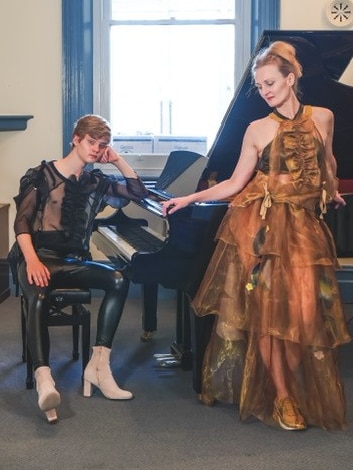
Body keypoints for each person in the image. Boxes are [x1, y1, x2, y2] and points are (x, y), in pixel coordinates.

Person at [162, 41, 351, 431]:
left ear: (291, 78)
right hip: (261, 228)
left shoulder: (325, 117)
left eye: (271, 82)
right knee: (266, 316)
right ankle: (283, 397)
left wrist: (330, 189)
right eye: (260, 85)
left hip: (306, 228)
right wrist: (189, 197)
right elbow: (234, 182)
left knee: (305, 313)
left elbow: (328, 160)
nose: (265, 91)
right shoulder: (257, 128)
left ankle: (283, 385)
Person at [11, 114, 149, 423]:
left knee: (117, 278)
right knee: (40, 294)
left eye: (102, 146)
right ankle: (45, 380)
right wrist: (32, 260)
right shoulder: (42, 175)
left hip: (72, 260)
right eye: (91, 142)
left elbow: (138, 194)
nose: (97, 150)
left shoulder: (96, 182)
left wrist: (117, 160)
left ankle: (99, 367)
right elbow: (21, 221)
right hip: (37, 256)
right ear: (76, 139)